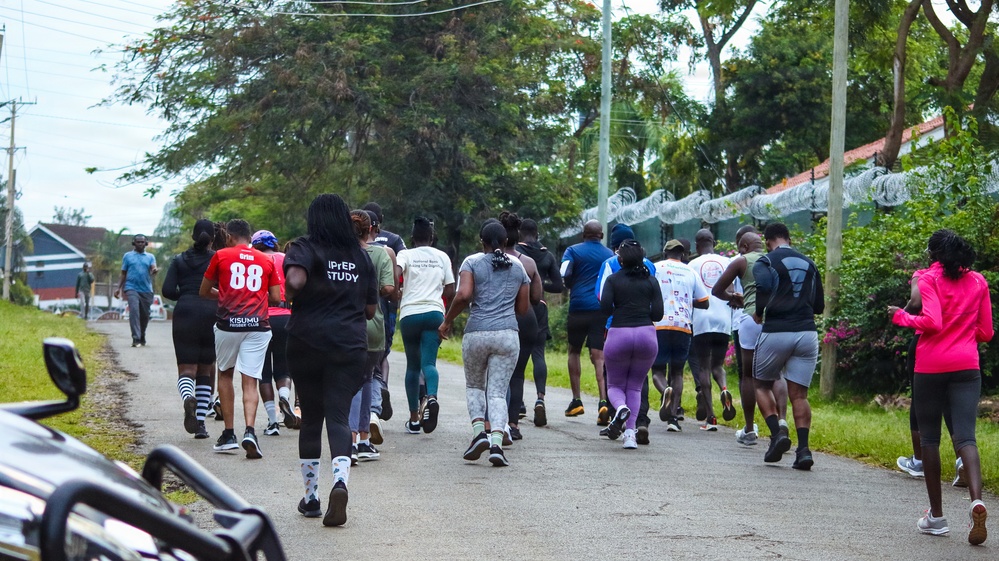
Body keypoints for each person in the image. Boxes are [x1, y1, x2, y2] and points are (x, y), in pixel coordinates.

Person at [889, 229, 992, 545]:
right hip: (967, 366)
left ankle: (936, 517)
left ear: (934, 254)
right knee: (966, 437)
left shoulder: (928, 278)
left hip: (931, 365)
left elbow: (932, 321)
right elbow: (986, 332)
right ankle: (976, 501)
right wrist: (963, 335)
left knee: (930, 439)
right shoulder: (979, 281)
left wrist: (901, 317)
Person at [284, 194, 377, 527]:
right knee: (338, 417)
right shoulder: (361, 257)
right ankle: (340, 483)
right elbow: (370, 310)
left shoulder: (304, 248)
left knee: (311, 419)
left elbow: (295, 281)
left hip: (306, 342)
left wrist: (292, 292)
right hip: (349, 345)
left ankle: (311, 498)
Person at [439, 221, 530, 467]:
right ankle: (497, 444)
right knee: (498, 392)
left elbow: (463, 295)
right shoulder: (518, 266)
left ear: (482, 241)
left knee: (475, 387)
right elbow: (523, 308)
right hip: (507, 335)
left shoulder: (472, 262)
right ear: (505, 241)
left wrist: (447, 321)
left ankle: (479, 433)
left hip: (477, 333)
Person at [200, 219, 281, 460]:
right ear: (249, 236)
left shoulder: (221, 255)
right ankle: (250, 432)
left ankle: (228, 435)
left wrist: (225, 294)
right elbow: (276, 297)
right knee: (250, 380)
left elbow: (203, 291)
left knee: (225, 374)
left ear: (229, 236)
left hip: (228, 324)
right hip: (258, 325)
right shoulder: (266, 260)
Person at [752, 222, 823, 470]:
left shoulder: (765, 261)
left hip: (776, 331)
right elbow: (819, 306)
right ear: (789, 239)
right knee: (799, 395)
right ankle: (803, 451)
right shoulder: (810, 263)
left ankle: (777, 434)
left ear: (767, 241)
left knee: (761, 384)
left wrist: (759, 311)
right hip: (806, 333)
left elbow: (763, 286)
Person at [712, 231, 789, 446]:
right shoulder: (775, 260)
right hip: (777, 321)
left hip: (751, 320)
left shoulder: (742, 261)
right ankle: (782, 421)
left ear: (744, 247)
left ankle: (748, 429)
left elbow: (717, 290)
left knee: (749, 376)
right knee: (777, 374)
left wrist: (734, 297)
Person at [599, 239, 664, 449]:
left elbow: (605, 308)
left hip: (619, 334)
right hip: (646, 335)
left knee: (614, 385)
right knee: (635, 386)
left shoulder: (613, 280)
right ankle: (630, 435)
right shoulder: (651, 281)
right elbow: (658, 314)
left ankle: (620, 409)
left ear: (620, 259)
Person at [395, 217, 455, 434]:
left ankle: (413, 419)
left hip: (410, 314)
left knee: (412, 367)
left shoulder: (405, 254)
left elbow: (396, 274)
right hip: (434, 313)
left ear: (412, 237)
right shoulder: (442, 256)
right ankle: (431, 398)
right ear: (432, 237)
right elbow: (451, 289)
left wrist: (398, 291)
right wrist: (446, 315)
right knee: (429, 364)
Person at [347, 210, 397, 461]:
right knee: (367, 380)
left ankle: (351, 441)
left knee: (350, 383)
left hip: (346, 325)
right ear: (371, 229)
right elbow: (389, 288)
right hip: (374, 324)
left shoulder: (341, 253)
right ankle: (364, 440)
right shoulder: (380, 254)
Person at [162, 219, 217, 439]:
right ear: (213, 238)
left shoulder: (179, 260)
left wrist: (185, 295)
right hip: (212, 312)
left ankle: (187, 398)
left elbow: (167, 290)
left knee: (186, 369)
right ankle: (200, 424)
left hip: (185, 312)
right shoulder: (218, 259)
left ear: (193, 237)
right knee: (205, 370)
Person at [652, 239, 709, 433]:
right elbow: (704, 302)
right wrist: (686, 300)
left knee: (657, 371)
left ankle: (664, 391)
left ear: (664, 253)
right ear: (683, 254)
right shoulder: (690, 271)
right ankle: (673, 418)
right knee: (677, 372)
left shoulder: (656, 268)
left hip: (659, 325)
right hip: (683, 326)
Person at [561, 219, 614, 421]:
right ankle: (603, 402)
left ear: (583, 235)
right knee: (599, 355)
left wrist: (572, 284)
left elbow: (564, 272)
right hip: (600, 309)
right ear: (601, 235)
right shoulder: (610, 255)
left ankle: (576, 401)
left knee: (574, 351)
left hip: (578, 307)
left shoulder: (572, 251)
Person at [250, 230, 299, 436]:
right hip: (285, 317)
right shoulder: (286, 259)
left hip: (260, 317)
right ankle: (285, 397)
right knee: (283, 367)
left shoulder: (254, 260)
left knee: (263, 373)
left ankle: (272, 421)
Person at [516, 218, 563, 426]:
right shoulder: (547, 255)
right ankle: (540, 398)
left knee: (517, 354)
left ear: (520, 233)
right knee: (538, 353)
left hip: (520, 306)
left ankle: (518, 402)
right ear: (537, 234)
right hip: (540, 306)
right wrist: (541, 285)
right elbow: (559, 285)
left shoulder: (517, 253)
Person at [500, 211, 542, 441]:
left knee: (497, 374)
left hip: (499, 318)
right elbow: (536, 297)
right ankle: (513, 424)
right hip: (526, 319)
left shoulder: (486, 260)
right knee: (517, 375)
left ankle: (495, 423)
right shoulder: (528, 263)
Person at [363, 201, 406, 422]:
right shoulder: (393, 242)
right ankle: (380, 390)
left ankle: (361, 413)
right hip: (383, 307)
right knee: (381, 355)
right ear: (378, 223)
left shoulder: (350, 248)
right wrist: (397, 296)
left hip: (353, 312)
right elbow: (400, 272)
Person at [687, 229, 734, 430]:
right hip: (723, 319)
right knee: (718, 366)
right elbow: (732, 292)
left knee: (704, 367)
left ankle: (711, 417)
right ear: (714, 243)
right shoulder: (727, 263)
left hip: (701, 320)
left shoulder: (692, 265)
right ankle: (724, 388)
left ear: (697, 246)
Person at [114, 234, 158, 347]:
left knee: (145, 315)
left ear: (146, 243)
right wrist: (118, 288)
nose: (140, 244)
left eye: (142, 242)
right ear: (134, 243)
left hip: (146, 290)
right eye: (138, 242)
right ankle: (136, 338)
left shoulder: (150, 257)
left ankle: (142, 334)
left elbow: (153, 267)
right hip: (131, 288)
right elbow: (123, 273)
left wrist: (154, 270)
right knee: (134, 311)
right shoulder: (127, 256)